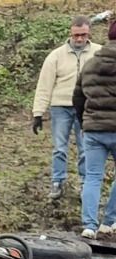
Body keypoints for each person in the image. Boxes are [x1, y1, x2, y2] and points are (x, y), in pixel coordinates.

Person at [32, 15, 101, 201]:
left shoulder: (98, 53)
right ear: (70, 32)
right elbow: (44, 85)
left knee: (85, 147)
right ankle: (58, 182)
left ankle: (85, 182)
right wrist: (38, 113)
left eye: (84, 35)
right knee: (59, 147)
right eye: (76, 35)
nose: (80, 39)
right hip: (60, 107)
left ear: (89, 33)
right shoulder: (56, 56)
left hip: (87, 107)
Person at [73, 20, 116, 238]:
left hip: (92, 129)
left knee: (92, 176)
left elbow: (78, 97)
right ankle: (109, 222)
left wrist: (84, 123)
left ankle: (89, 225)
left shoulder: (90, 64)